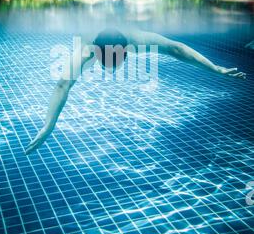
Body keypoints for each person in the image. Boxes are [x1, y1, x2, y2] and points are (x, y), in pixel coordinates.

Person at [25, 28, 246, 155]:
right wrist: (49, 124)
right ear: (96, 55)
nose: (111, 69)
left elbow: (176, 48)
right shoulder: (85, 52)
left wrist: (215, 68)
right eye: (107, 64)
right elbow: (62, 85)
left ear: (128, 53)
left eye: (117, 63)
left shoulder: (136, 40)